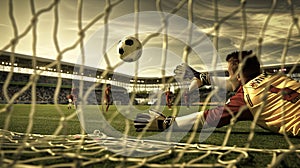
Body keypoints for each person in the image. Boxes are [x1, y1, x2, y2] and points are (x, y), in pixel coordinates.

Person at [134, 50, 300, 136]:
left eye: (229, 73)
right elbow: (234, 84)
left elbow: (208, 119)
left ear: (239, 76)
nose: (227, 77)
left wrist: (167, 123)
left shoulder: (247, 98)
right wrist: (203, 78)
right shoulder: (278, 77)